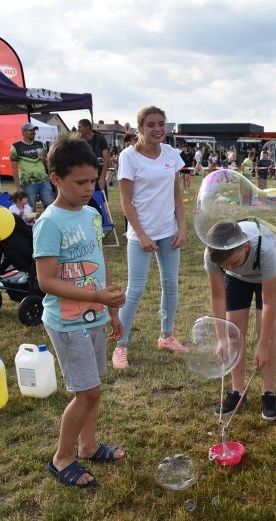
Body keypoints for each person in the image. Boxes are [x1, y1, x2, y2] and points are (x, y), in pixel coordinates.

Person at [33, 134, 126, 488]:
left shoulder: (90, 213)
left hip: (95, 317)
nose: (89, 188)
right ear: (55, 178)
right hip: (68, 322)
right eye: (80, 182)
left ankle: (88, 446)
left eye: (93, 180)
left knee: (94, 388)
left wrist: (111, 309)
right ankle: (62, 457)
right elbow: (45, 282)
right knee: (86, 392)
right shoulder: (50, 222)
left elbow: (100, 263)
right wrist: (98, 299)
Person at [112, 106, 187, 369]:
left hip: (169, 232)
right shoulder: (128, 157)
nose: (157, 129)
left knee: (171, 285)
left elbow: (177, 195)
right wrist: (141, 234)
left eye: (161, 124)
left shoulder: (171, 154)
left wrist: (182, 227)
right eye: (151, 125)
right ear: (140, 128)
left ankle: (167, 336)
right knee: (136, 290)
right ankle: (121, 344)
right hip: (140, 234)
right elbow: (125, 200)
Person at [204, 220, 276, 421]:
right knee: (234, 331)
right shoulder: (213, 254)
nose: (229, 267)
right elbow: (217, 297)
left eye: (233, 262)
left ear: (246, 246)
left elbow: (268, 304)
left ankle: (269, 392)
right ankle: (237, 391)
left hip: (267, 276)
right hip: (237, 280)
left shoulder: (264, 250)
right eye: (224, 265)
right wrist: (221, 338)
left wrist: (263, 346)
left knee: (266, 330)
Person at [11, 122, 54, 210]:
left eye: (34, 130)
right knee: (30, 209)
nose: (33, 132)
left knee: (50, 206)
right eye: (30, 130)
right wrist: (18, 187)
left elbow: (46, 163)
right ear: (23, 132)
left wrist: (46, 161)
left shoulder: (40, 144)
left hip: (43, 181)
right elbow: (14, 168)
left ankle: (51, 223)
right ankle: (31, 224)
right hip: (28, 183)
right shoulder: (16, 147)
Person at [77, 119, 110, 191]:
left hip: (98, 177)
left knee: (99, 201)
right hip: (84, 178)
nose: (78, 129)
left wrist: (102, 178)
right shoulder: (79, 142)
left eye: (80, 127)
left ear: (87, 128)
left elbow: (106, 159)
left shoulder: (100, 139)